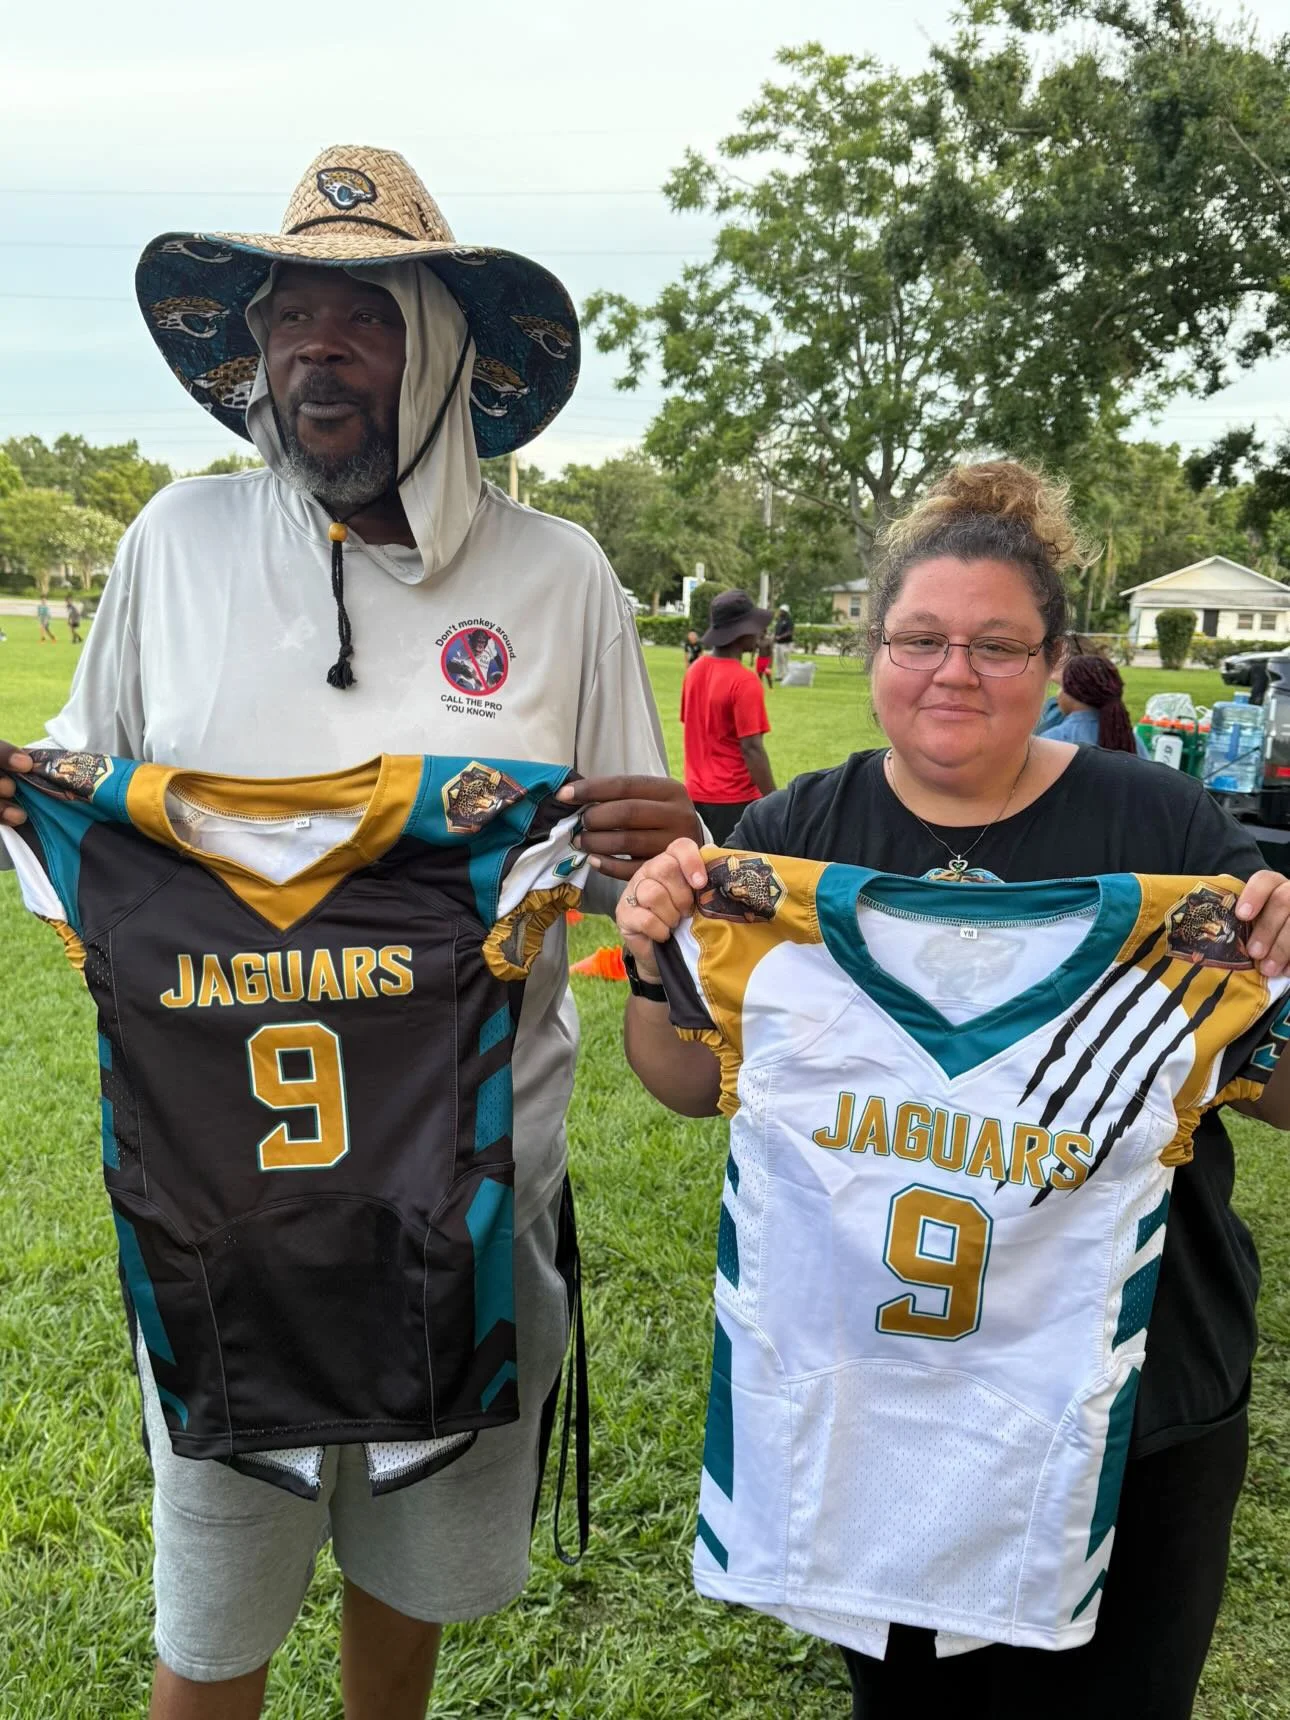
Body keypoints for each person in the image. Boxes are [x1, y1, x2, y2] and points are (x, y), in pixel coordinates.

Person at [0, 144, 699, 1720]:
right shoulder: (169, 544)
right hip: (216, 1208)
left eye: (364, 319)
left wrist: (655, 854)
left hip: (465, 1206)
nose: (316, 347)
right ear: (250, 357)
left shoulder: (557, 574)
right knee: (211, 1629)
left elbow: (604, 865)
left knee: (408, 1611)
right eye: (288, 317)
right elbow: (80, 784)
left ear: (439, 352)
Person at [614, 461, 1290, 1720]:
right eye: (919, 638)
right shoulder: (789, 837)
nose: (954, 671)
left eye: (996, 643)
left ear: (1055, 664)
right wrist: (657, 953)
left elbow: (1276, 1086)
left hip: (1142, 1379)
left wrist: (1280, 959)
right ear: (874, 649)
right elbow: (684, 1084)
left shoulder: (1167, 825)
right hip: (881, 1381)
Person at [680, 590, 775, 844]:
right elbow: (752, 749)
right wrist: (775, 803)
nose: (758, 633)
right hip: (735, 801)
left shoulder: (694, 670)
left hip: (694, 798)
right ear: (741, 631)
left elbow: (692, 726)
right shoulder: (745, 681)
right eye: (754, 627)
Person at [1044, 653, 1148, 755]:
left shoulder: (1052, 740)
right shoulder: (1131, 741)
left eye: (1061, 687)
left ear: (1073, 692)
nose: (1058, 694)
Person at [771, 603, 793, 680]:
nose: (780, 612)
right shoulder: (779, 620)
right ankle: (779, 675)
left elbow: (790, 632)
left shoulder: (789, 621)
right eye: (780, 610)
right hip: (778, 643)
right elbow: (776, 631)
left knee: (785, 660)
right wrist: (773, 638)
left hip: (786, 643)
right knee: (778, 660)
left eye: (781, 611)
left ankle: (786, 675)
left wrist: (780, 637)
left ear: (785, 612)